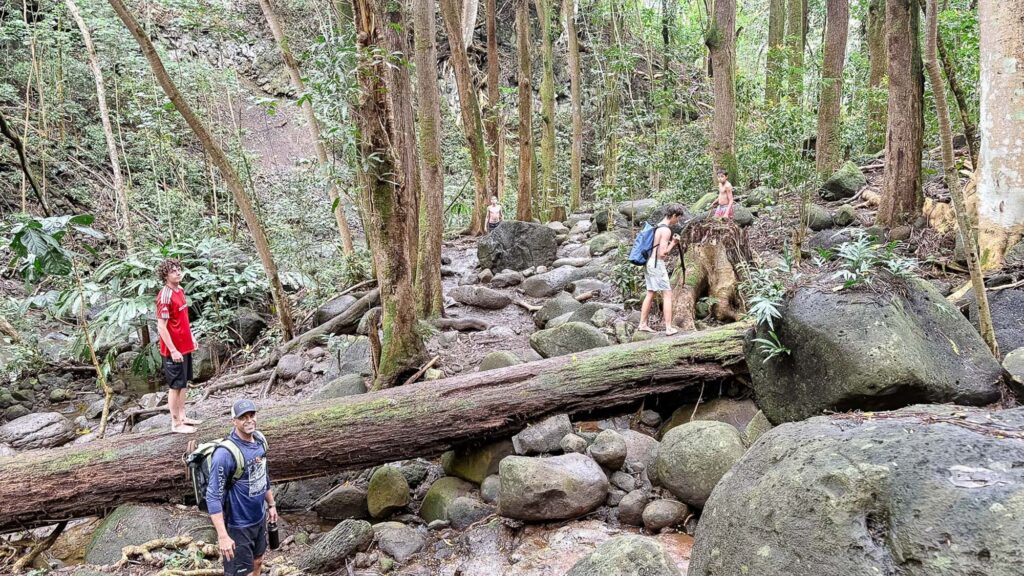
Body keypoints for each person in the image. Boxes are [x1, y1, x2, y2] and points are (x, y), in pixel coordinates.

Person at [207, 399, 277, 576]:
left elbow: (263, 476)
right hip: (238, 525)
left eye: (252, 415)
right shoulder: (225, 454)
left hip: (259, 517)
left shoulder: (260, 441)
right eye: (243, 417)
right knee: (240, 573)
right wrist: (223, 536)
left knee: (258, 561)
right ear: (234, 421)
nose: (249, 420)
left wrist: (271, 504)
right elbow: (213, 496)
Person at [155, 259, 200, 434]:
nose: (178, 273)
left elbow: (183, 319)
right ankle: (175, 424)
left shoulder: (180, 290)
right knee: (175, 386)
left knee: (184, 383)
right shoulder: (164, 295)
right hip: (172, 350)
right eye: (173, 271)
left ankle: (183, 416)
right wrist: (173, 350)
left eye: (179, 270)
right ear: (166, 275)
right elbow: (161, 326)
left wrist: (192, 337)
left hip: (185, 346)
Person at [638, 203, 687, 336]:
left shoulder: (657, 226)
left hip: (648, 263)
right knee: (667, 294)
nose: (678, 221)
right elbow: (662, 253)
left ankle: (642, 324)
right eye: (678, 218)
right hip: (656, 264)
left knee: (650, 292)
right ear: (674, 216)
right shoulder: (666, 230)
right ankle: (668, 328)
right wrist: (674, 243)